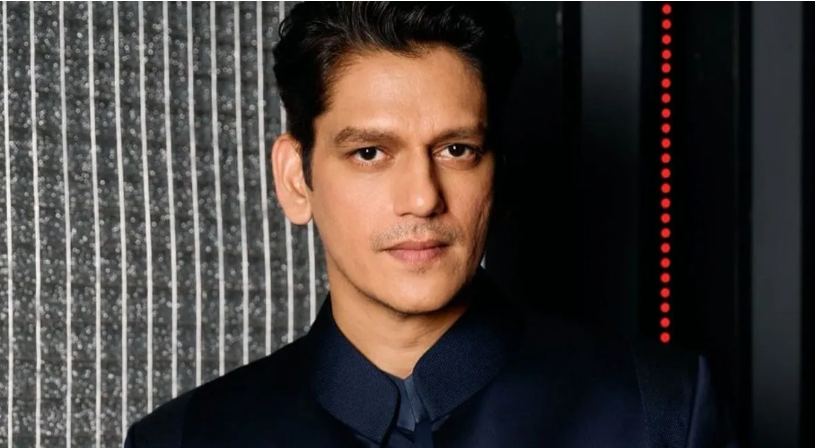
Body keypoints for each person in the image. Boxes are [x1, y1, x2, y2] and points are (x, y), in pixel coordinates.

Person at [124, 2, 737, 447]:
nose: (422, 198)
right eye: (370, 153)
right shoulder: (185, 439)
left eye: (456, 150)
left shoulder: (659, 414)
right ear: (295, 178)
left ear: (497, 172)